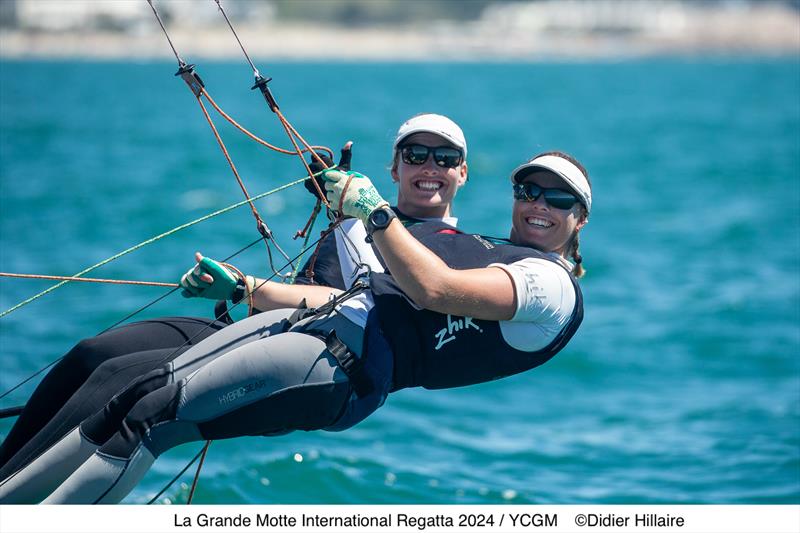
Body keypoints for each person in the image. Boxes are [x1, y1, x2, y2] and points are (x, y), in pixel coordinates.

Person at [0, 149, 591, 503]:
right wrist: (245, 289)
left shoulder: (550, 286)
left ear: (579, 219)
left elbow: (432, 289)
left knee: (150, 413)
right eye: (528, 189)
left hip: (345, 367)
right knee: (128, 389)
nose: (539, 202)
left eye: (558, 198)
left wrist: (374, 212)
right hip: (316, 328)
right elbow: (353, 293)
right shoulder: (492, 252)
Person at [0, 114, 469, 485]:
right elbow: (312, 287)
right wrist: (231, 285)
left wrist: (247, 286)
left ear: (462, 173)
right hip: (270, 327)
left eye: (445, 158)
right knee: (92, 354)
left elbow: (350, 302)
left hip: (325, 360)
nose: (430, 167)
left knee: (119, 381)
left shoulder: (451, 250)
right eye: (416, 154)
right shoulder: (353, 222)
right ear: (395, 168)